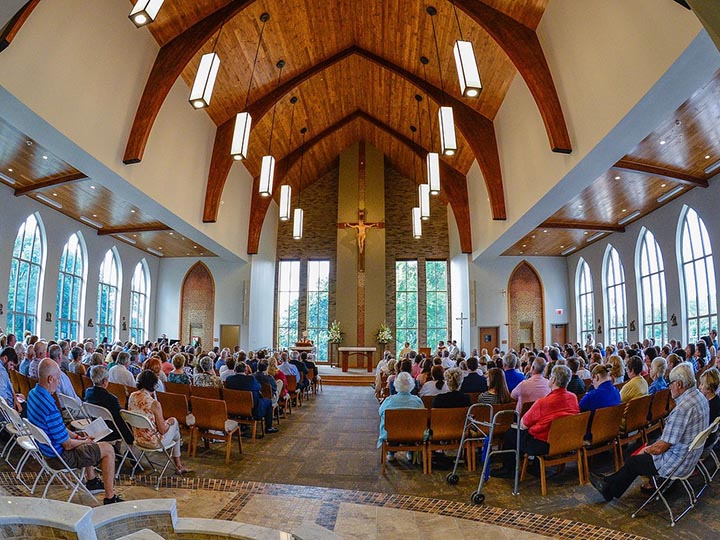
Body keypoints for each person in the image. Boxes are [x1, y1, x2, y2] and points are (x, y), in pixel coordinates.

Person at [591, 363, 709, 501]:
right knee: (640, 455)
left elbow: (661, 448)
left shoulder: (683, 409)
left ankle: (608, 491)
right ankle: (608, 482)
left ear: (679, 384)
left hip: (676, 463)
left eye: (671, 383)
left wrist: (645, 450)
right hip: (689, 458)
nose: (669, 386)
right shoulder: (700, 397)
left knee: (633, 461)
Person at [26, 359, 122, 504]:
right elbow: (68, 445)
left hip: (47, 452)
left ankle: (91, 481)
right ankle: (110, 498)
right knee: (108, 449)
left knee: (86, 439)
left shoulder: (33, 394)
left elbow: (58, 429)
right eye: (58, 379)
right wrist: (84, 441)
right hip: (59, 457)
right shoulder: (49, 405)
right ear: (50, 379)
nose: (58, 383)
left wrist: (79, 437)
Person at [494, 365, 580, 478]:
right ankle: (535, 466)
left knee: (511, 433)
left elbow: (523, 425)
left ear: (553, 380)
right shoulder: (572, 397)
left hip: (543, 444)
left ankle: (509, 469)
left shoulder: (543, 403)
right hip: (565, 439)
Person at [128, 370, 188, 474]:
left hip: (137, 438)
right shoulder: (154, 403)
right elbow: (163, 430)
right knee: (174, 422)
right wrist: (169, 422)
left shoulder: (132, 396)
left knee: (176, 434)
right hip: (153, 442)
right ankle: (178, 465)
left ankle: (179, 462)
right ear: (154, 385)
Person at [377, 372, 424, 461]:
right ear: (412, 385)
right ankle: (410, 451)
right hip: (413, 434)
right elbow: (422, 416)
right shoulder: (417, 401)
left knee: (392, 427)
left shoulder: (389, 400)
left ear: (396, 384)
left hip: (392, 434)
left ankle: (391, 453)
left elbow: (380, 412)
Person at [84, 365, 134, 445]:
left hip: (96, 426)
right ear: (104, 381)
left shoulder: (88, 392)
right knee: (128, 424)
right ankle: (125, 451)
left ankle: (117, 450)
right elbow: (121, 418)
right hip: (109, 431)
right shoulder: (111, 398)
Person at [225, 361, 278, 434]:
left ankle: (244, 424)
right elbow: (259, 387)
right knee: (268, 401)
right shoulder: (250, 379)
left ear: (235, 370)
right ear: (245, 370)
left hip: (234, 407)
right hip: (252, 408)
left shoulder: (229, 379)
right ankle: (268, 427)